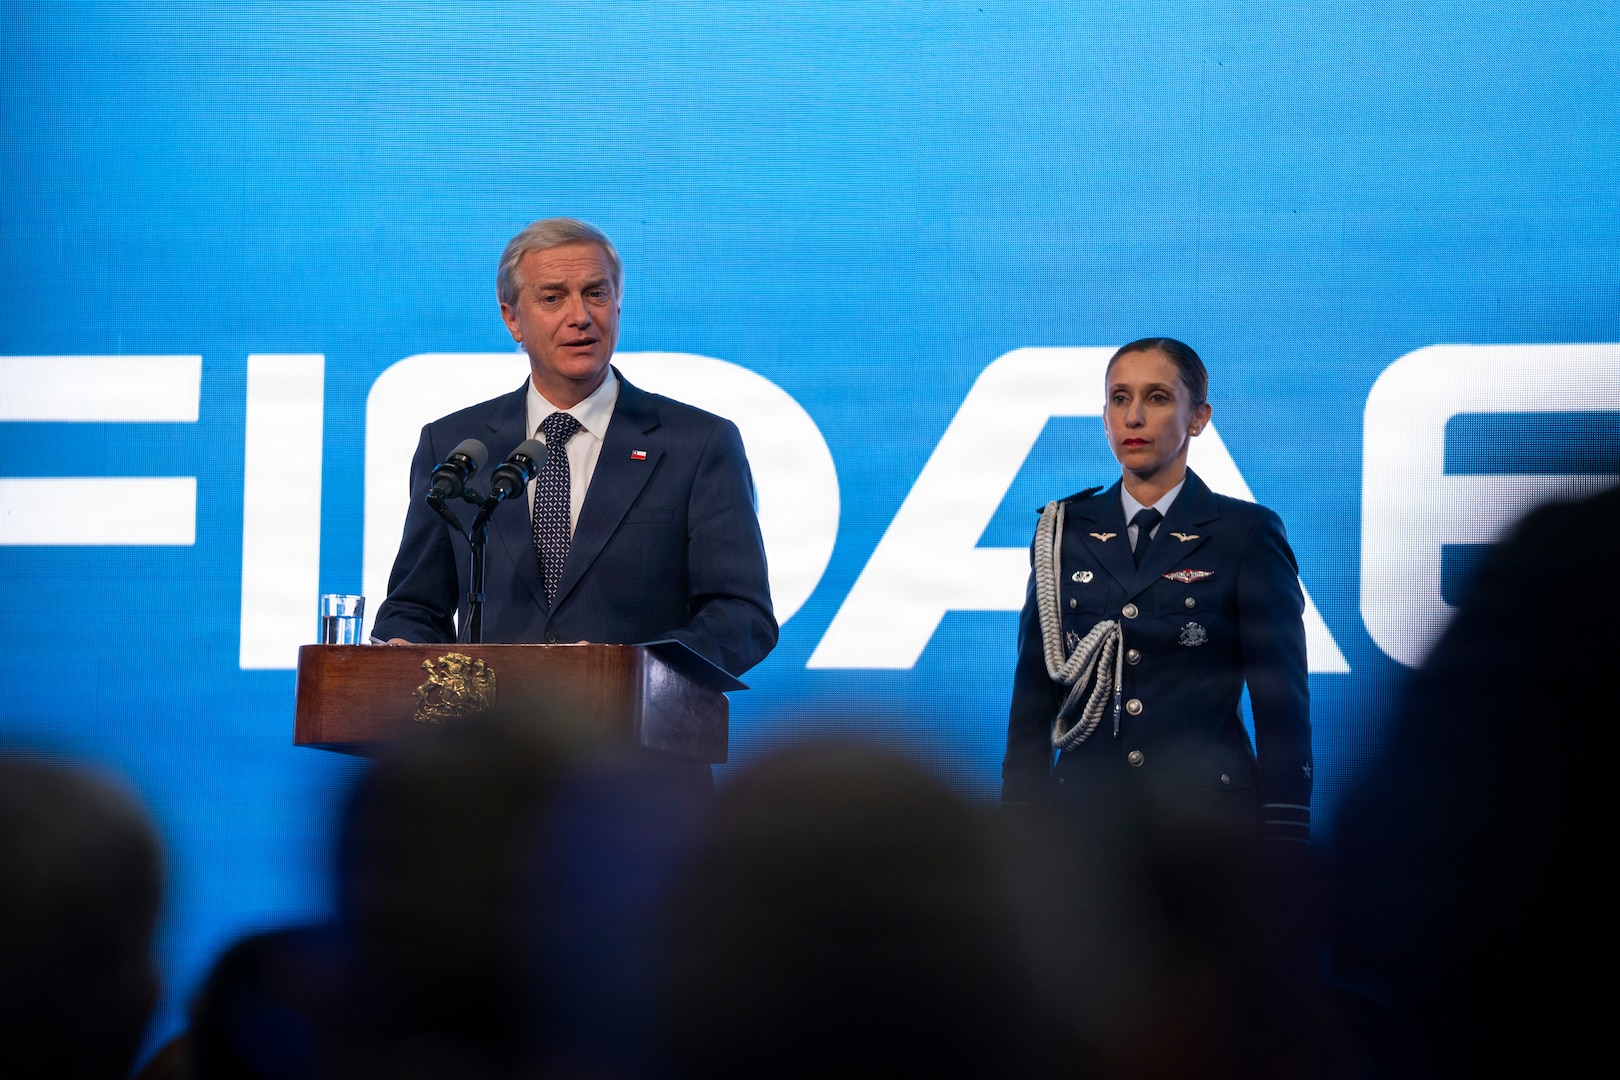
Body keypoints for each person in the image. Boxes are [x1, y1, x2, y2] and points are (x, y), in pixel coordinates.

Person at [371, 218, 777, 678]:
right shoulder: (455, 446)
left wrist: (625, 668)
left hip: (633, 740)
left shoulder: (697, 444)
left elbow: (742, 619)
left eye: (596, 293)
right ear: (512, 318)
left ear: (618, 304)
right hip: (485, 741)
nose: (580, 316)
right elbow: (414, 607)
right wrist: (402, 646)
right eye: (552, 297)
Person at [1001, 338, 1312, 844]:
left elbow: (1281, 708)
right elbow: (1034, 700)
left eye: (1158, 398)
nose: (1134, 417)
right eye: (1119, 398)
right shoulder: (1061, 534)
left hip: (1207, 832)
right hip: (1082, 835)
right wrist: (1018, 827)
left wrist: (1285, 835)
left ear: (1198, 418)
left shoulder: (1245, 533)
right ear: (1104, 416)